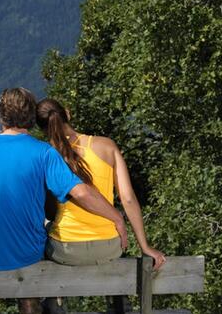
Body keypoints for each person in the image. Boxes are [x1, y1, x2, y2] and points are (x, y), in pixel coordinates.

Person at [0, 88, 128, 314]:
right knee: (43, 225)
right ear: (31, 118)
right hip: (28, 253)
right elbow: (81, 193)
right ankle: (29, 304)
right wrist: (116, 217)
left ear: (1, 116)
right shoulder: (44, 153)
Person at [36, 98, 167, 313]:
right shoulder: (106, 146)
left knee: (45, 229)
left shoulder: (45, 155)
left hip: (65, 249)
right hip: (110, 246)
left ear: (41, 127)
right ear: (67, 113)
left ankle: (55, 303)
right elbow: (128, 199)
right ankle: (119, 305)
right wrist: (145, 247)